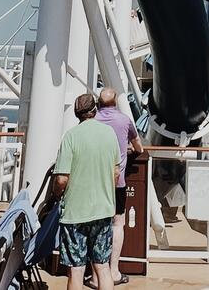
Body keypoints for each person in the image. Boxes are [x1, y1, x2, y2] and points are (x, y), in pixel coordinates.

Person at [51, 93, 121, 290]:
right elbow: (116, 172)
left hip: (75, 213)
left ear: (77, 114)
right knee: (102, 267)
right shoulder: (109, 133)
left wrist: (57, 193)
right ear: (95, 110)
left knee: (76, 269)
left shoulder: (71, 137)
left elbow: (62, 178)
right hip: (103, 210)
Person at [95, 88, 143, 287]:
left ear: (98, 103)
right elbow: (139, 147)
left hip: (94, 183)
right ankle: (113, 271)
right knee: (117, 223)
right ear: (115, 103)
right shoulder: (124, 120)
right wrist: (131, 149)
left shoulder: (93, 120)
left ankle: (95, 274)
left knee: (95, 225)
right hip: (117, 182)